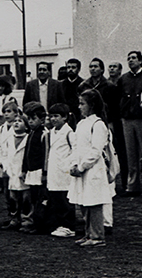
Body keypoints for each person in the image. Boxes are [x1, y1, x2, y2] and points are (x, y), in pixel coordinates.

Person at [68, 89, 113, 247]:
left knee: (94, 202)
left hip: (93, 169)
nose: (79, 107)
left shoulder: (98, 124)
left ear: (92, 105)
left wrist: (82, 166)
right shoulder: (81, 124)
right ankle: (88, 234)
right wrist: (74, 164)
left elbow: (96, 150)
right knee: (83, 201)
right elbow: (75, 146)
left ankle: (97, 236)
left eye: (82, 104)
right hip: (81, 170)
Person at [119, 51, 142, 194]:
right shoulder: (124, 79)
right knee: (130, 154)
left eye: (133, 58)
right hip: (128, 119)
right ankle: (132, 185)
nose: (131, 61)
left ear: (140, 61)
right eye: (129, 59)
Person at [45, 103, 77, 238]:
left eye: (56, 116)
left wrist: (68, 165)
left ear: (64, 118)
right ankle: (59, 224)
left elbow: (75, 150)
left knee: (65, 200)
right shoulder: (51, 132)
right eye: (51, 116)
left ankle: (69, 226)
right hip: (54, 172)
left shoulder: (69, 133)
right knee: (56, 199)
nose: (53, 119)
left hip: (64, 173)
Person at [0, 101, 22, 226]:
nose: (6, 114)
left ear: (16, 113)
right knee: (7, 193)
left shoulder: (19, 127)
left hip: (15, 164)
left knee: (18, 192)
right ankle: (12, 216)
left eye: (9, 111)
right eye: (4, 112)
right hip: (3, 165)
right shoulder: (1, 129)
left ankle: (20, 217)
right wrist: (1, 162)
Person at [20, 103, 47, 233]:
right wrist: (24, 169)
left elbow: (45, 155)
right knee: (33, 198)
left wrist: (44, 172)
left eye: (33, 119)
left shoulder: (44, 134)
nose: (30, 122)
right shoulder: (31, 133)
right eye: (29, 119)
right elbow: (26, 153)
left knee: (41, 199)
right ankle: (34, 223)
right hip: (31, 172)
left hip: (39, 171)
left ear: (42, 120)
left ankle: (41, 225)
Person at [104, 61, 128, 192]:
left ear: (120, 70)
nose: (112, 69)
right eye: (110, 66)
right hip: (108, 120)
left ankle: (125, 182)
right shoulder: (106, 83)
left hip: (119, 120)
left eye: (114, 67)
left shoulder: (122, 83)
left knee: (122, 152)